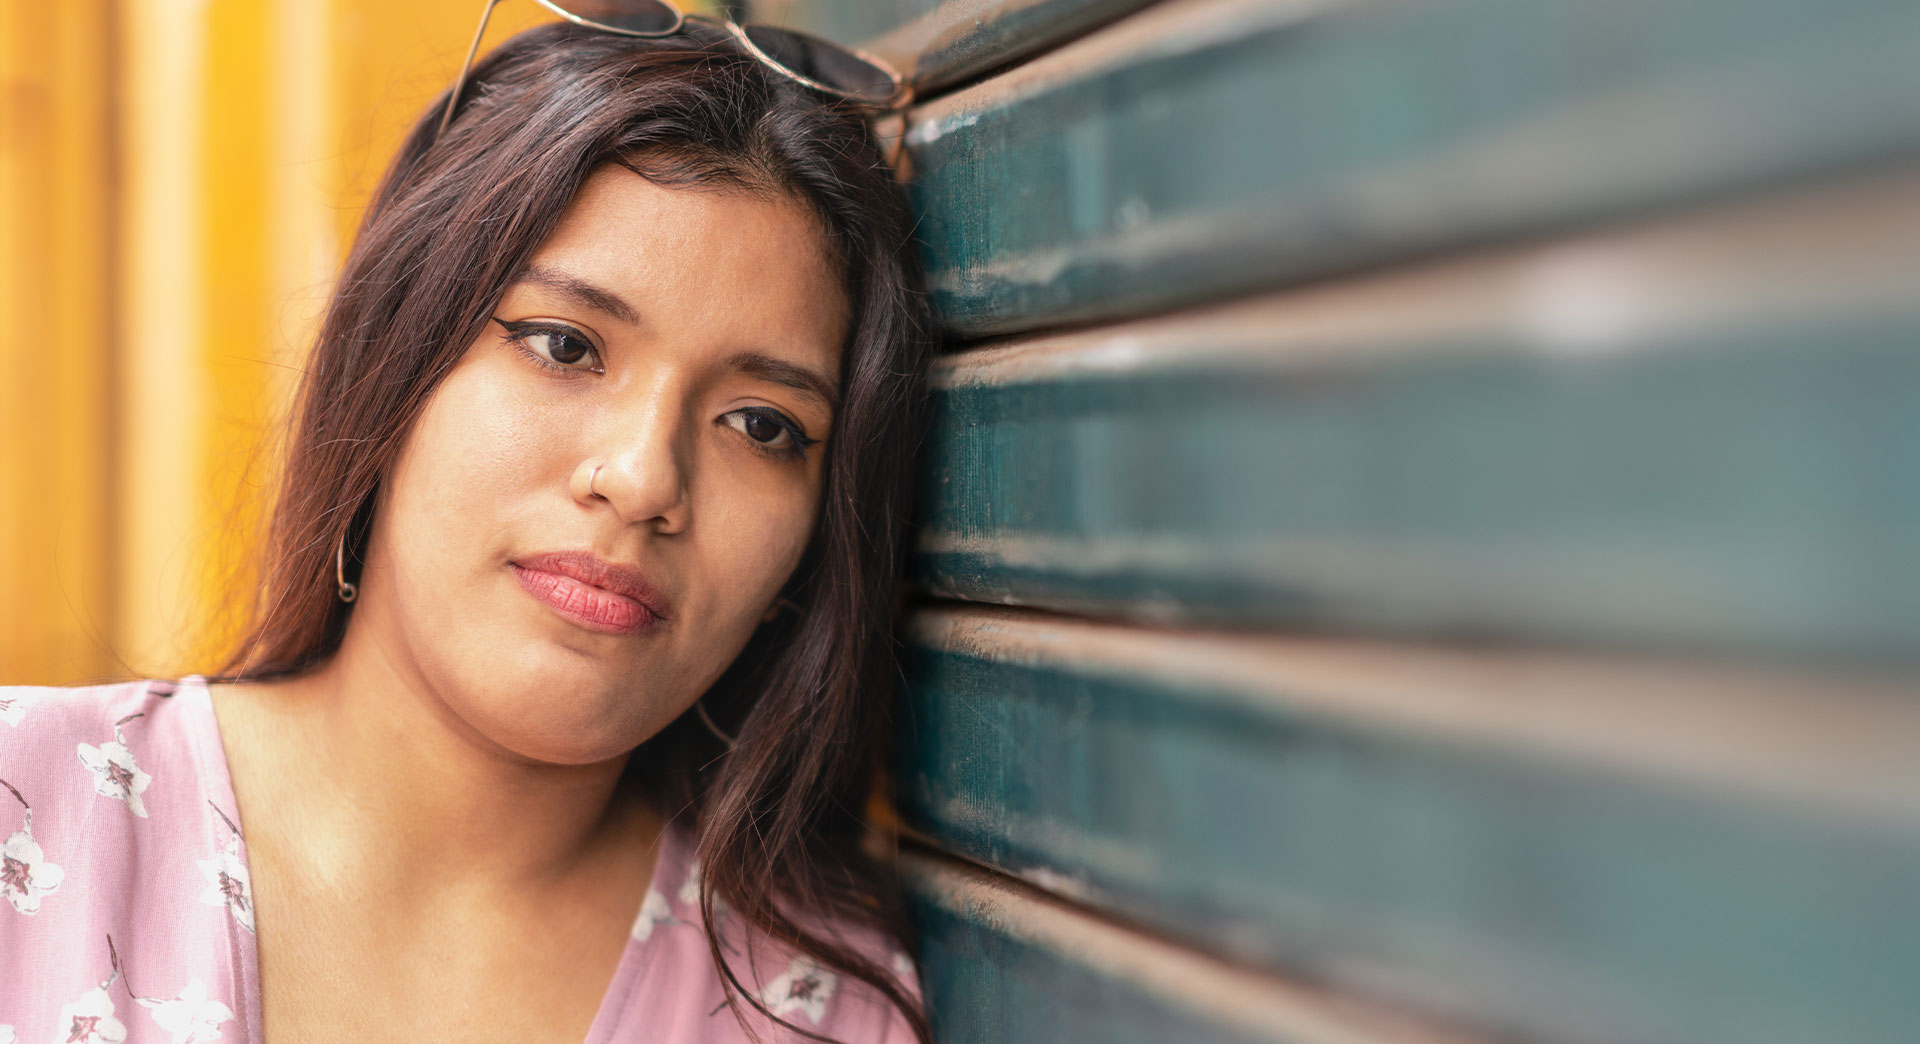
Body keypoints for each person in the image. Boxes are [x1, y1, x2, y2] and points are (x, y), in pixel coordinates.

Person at [0, 14, 938, 1044]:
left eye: (762, 425)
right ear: (394, 358)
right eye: (564, 346)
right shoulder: (22, 808)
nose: (641, 479)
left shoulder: (811, 1011)